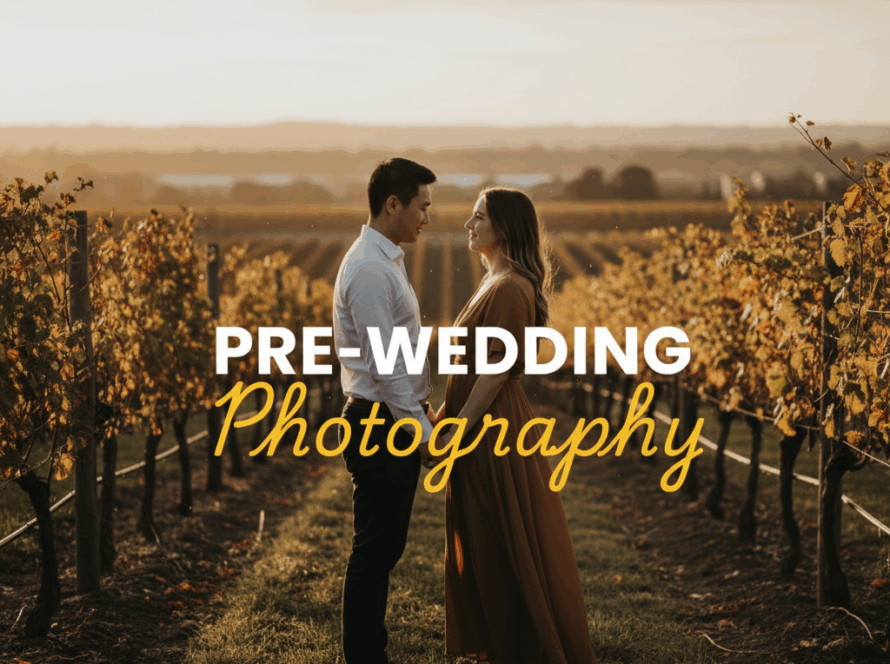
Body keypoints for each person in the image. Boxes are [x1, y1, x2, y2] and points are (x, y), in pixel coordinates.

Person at [428, 187, 598, 664]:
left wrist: (459, 427)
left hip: (492, 427)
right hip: (479, 420)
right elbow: (469, 366)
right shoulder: (496, 282)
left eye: (478, 217)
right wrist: (443, 416)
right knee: (485, 537)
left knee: (499, 539)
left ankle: (521, 648)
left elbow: (497, 369)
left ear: (503, 228)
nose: (469, 224)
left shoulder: (509, 288)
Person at [332, 157, 438, 664]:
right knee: (374, 551)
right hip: (377, 423)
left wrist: (423, 408)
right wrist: (418, 432)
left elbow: (400, 359)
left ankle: (370, 653)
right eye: (422, 205)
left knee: (383, 550)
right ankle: (364, 656)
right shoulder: (372, 270)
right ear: (392, 204)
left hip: (385, 416)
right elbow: (386, 365)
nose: (427, 216)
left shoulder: (382, 260)